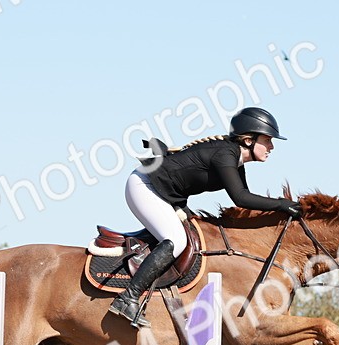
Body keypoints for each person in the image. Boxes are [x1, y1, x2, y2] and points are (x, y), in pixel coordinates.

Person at [108, 106, 302, 328]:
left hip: (166, 194)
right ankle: (128, 298)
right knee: (177, 241)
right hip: (145, 186)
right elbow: (241, 198)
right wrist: (281, 204)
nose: (272, 146)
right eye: (267, 140)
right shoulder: (225, 155)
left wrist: (281, 211)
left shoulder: (234, 161)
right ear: (249, 140)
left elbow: (245, 201)